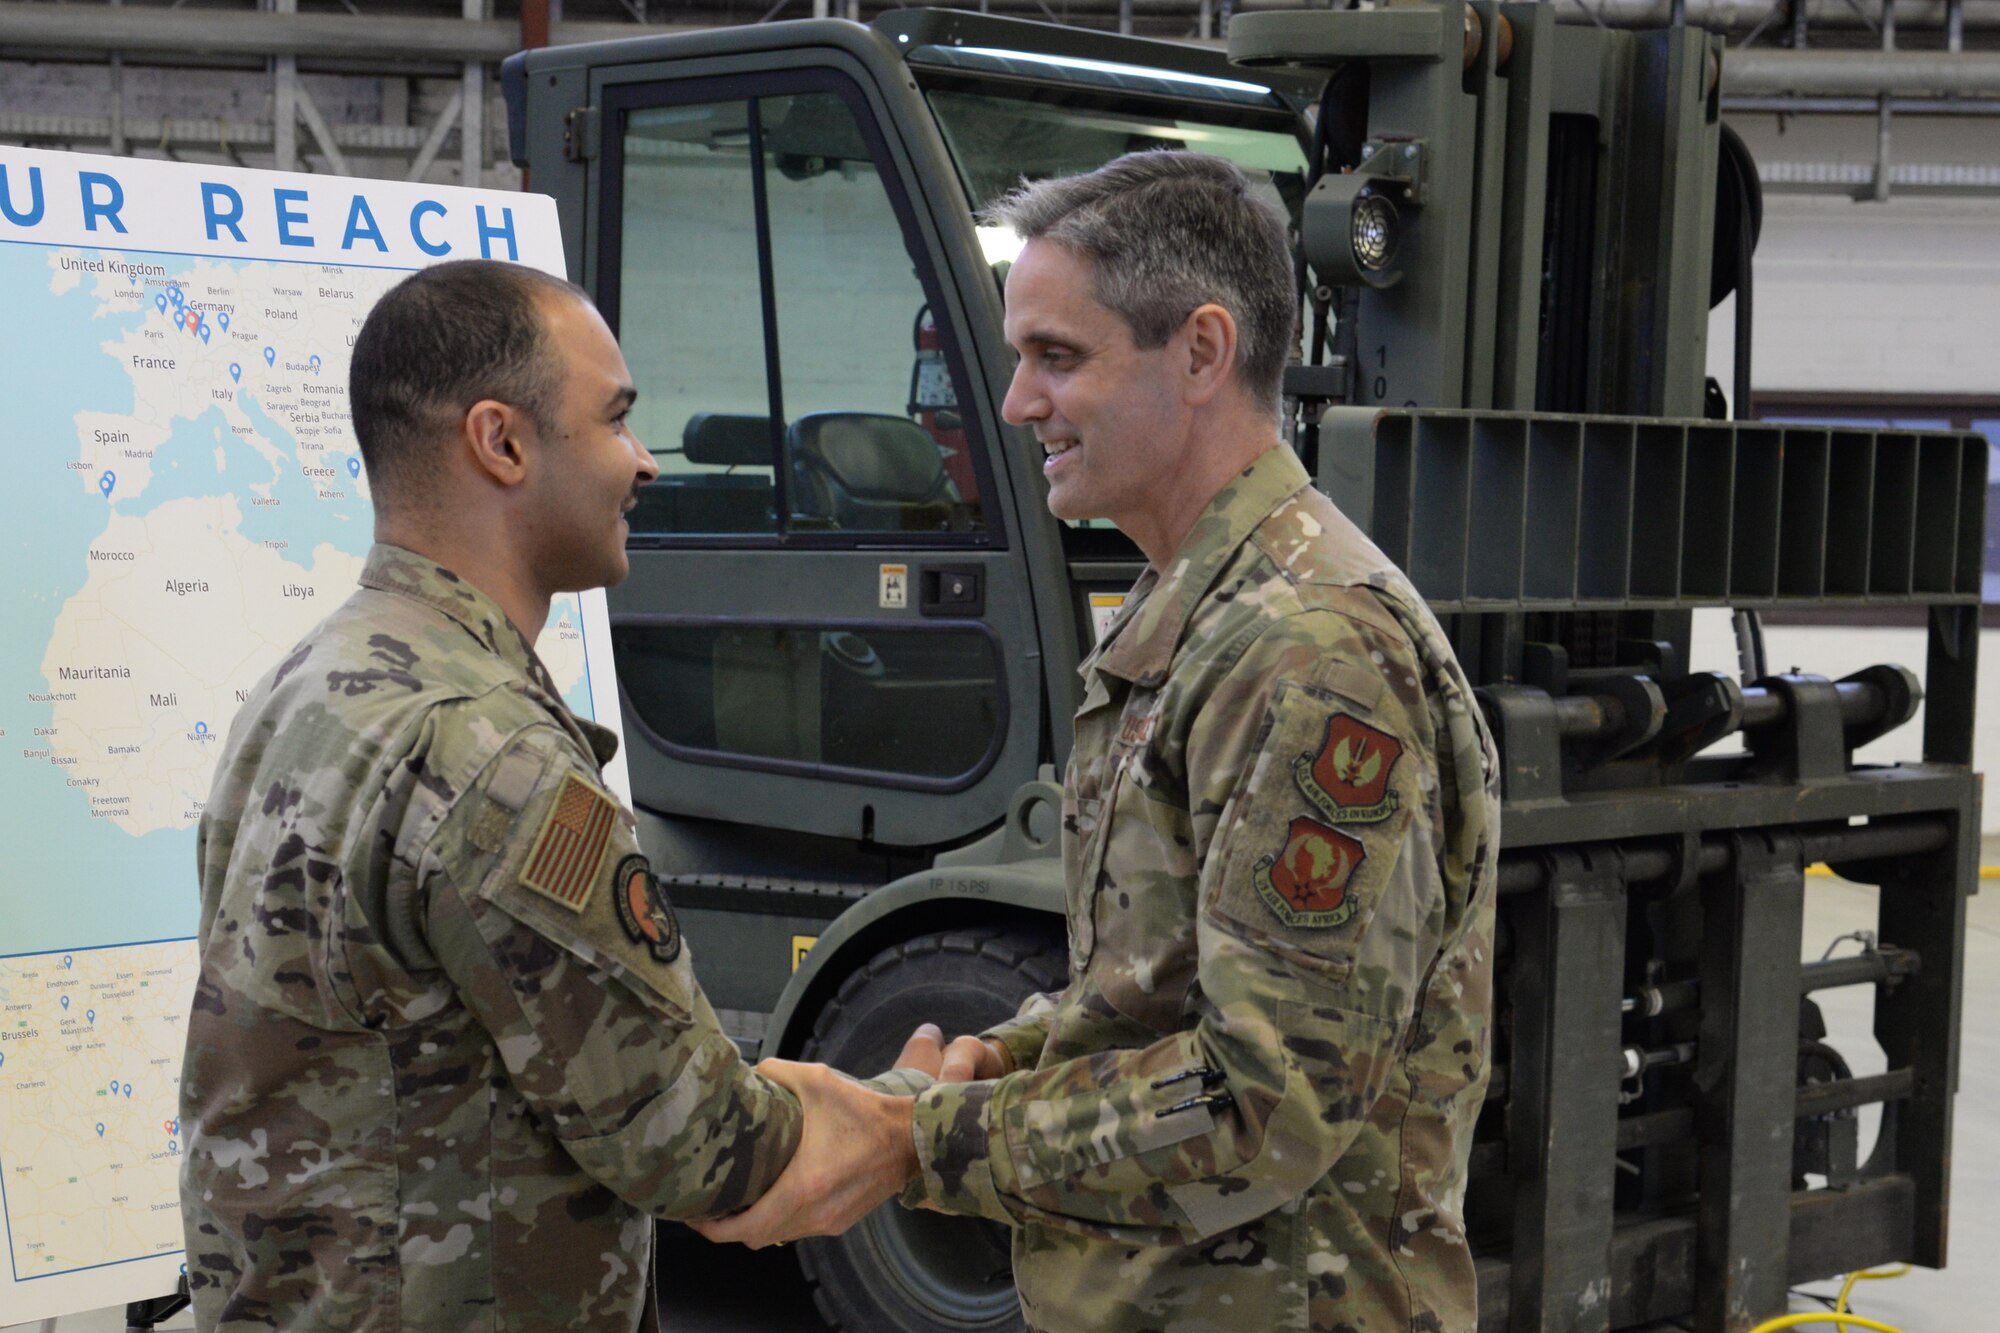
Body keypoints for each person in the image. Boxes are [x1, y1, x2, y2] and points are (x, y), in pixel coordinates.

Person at [693, 152, 1501, 1332]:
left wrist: (917, 1139)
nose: (1018, 402)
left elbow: (1260, 1102)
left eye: (1057, 358)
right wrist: (987, 1065)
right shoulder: (1198, 609)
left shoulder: (1304, 650)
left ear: (1201, 352)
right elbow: (1151, 989)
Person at [178, 259, 940, 1331]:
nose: (642, 463)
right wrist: (918, 1113)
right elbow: (706, 1150)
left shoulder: (310, 683)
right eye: (618, 419)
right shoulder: (490, 754)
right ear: (502, 442)